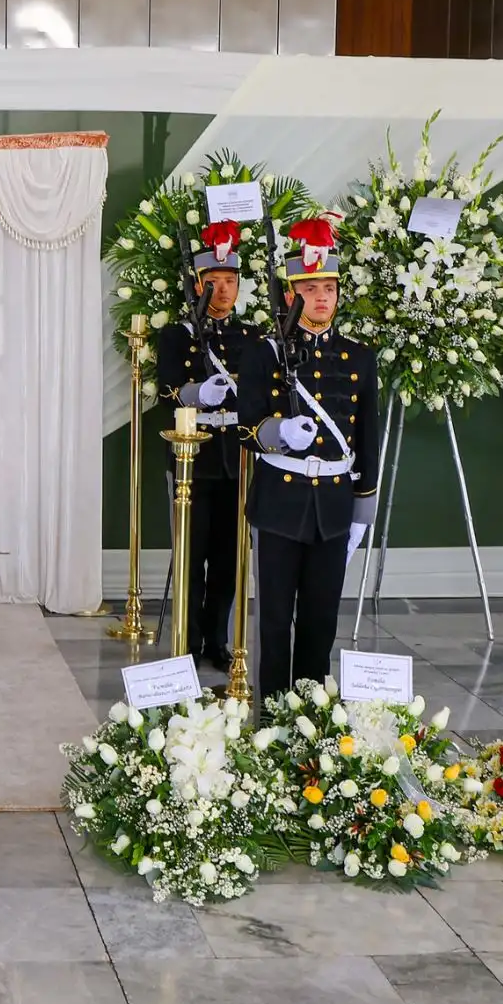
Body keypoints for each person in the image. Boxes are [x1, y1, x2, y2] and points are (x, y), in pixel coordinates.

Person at [236, 217, 380, 698]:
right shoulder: (264, 353)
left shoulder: (359, 358)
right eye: (310, 288)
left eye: (329, 288)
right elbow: (245, 425)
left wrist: (363, 512)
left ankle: (311, 714)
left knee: (321, 620)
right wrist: (278, 433)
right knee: (275, 620)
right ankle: (273, 717)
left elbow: (368, 440)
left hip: (335, 509)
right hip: (280, 501)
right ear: (290, 296)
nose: (322, 298)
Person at [155, 221, 256, 671]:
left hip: (237, 456)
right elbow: (166, 389)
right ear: (198, 285)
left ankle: (217, 638)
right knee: (192, 557)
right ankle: (189, 640)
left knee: (229, 557)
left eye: (230, 281)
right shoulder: (177, 334)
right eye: (214, 282)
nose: (223, 290)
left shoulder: (253, 336)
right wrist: (199, 393)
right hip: (194, 455)